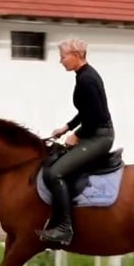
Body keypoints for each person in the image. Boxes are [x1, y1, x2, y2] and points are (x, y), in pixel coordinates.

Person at [36, 37, 115, 245]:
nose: (61, 61)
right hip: (93, 132)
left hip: (100, 137)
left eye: (63, 57)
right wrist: (67, 127)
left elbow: (96, 116)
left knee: (55, 173)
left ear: (76, 56)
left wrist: (76, 135)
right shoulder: (83, 76)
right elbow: (86, 111)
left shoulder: (86, 80)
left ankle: (64, 228)